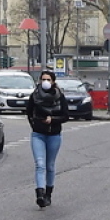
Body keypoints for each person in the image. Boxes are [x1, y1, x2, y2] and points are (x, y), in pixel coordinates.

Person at [26, 70, 68, 208]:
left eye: (48, 79)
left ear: (53, 82)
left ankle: (48, 194)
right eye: (43, 79)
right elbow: (29, 112)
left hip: (54, 135)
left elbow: (65, 116)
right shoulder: (35, 95)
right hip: (38, 134)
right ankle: (40, 194)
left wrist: (53, 120)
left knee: (49, 165)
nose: (45, 82)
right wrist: (35, 125)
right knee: (40, 164)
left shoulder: (59, 96)